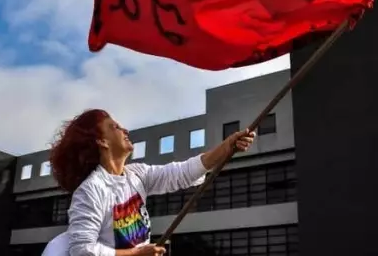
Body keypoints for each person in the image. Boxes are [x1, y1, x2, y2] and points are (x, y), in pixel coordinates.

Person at [47, 109, 255, 256]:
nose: (125, 130)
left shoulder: (136, 175)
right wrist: (135, 254)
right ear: (101, 141)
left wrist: (226, 148)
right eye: (115, 127)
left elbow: (182, 173)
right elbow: (82, 250)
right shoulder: (90, 191)